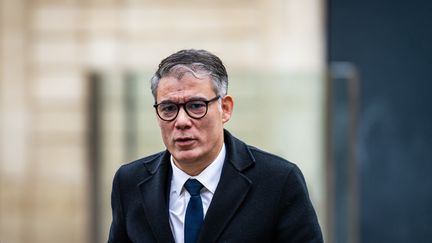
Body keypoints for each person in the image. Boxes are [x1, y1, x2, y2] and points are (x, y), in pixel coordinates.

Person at [108, 49, 323, 243]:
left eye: (196, 106)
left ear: (226, 109)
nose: (181, 121)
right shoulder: (129, 182)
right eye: (169, 108)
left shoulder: (278, 180)